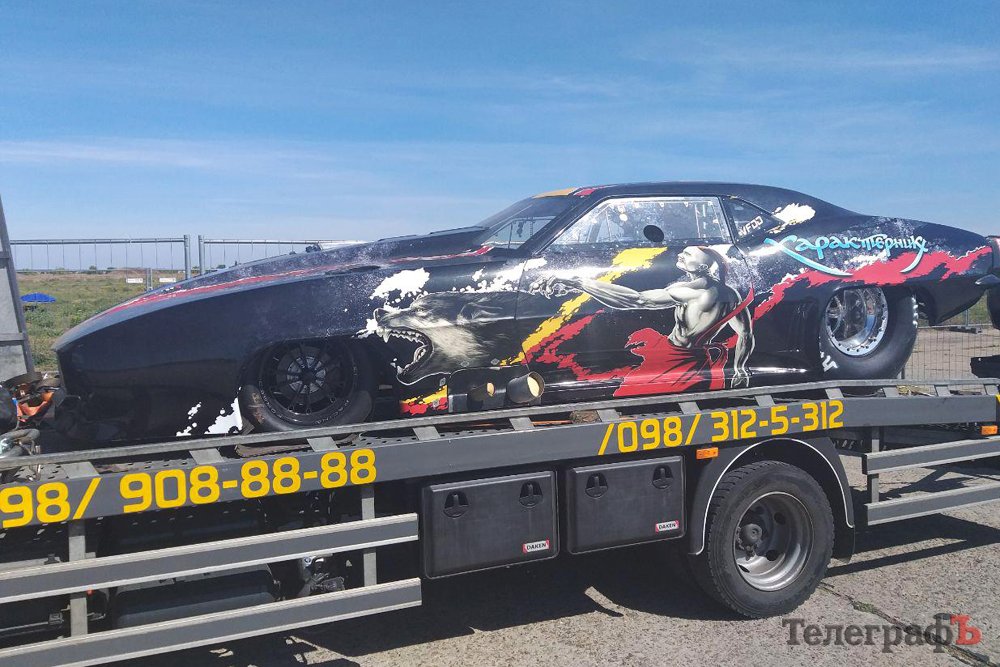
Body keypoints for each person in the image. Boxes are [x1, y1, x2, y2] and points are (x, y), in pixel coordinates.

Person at [530, 246, 754, 393]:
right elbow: (745, 333)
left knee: (627, 392)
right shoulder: (731, 294)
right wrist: (740, 368)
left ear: (703, 267)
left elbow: (636, 300)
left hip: (676, 360)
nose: (680, 255)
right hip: (698, 360)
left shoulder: (691, 290)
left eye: (688, 255)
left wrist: (580, 283)